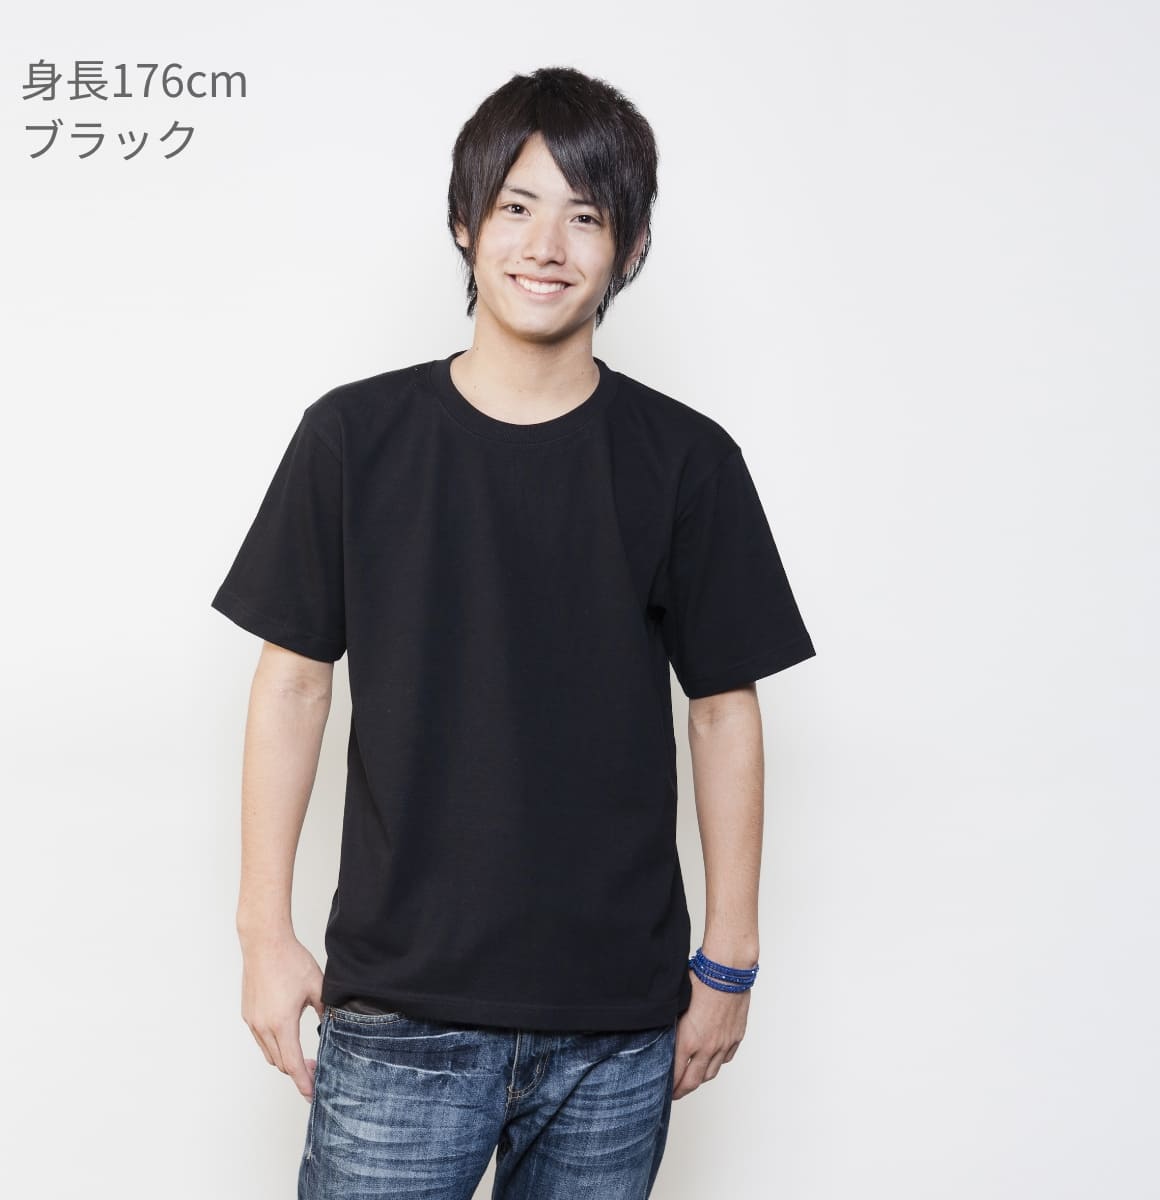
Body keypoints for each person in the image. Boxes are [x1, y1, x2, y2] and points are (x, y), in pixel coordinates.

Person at [211, 64, 816, 1200]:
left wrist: (729, 958)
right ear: (465, 222)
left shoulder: (687, 461)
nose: (546, 246)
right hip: (399, 1009)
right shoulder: (353, 438)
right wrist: (263, 935)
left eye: (586, 216)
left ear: (630, 248)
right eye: (516, 206)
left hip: (616, 1024)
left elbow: (724, 707)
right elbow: (291, 684)